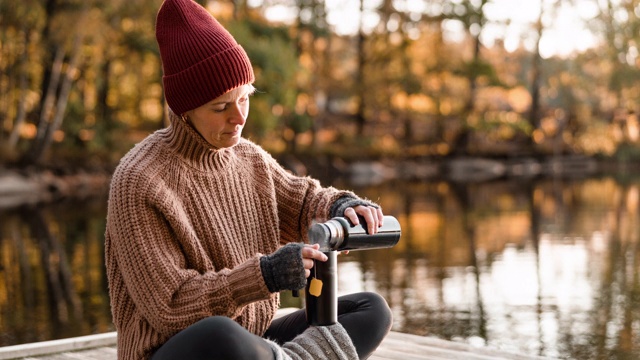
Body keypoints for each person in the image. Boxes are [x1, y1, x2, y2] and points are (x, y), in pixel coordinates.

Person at [104, 0, 393, 359]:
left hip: (253, 339)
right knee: (220, 334)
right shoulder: (140, 180)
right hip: (182, 348)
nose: (239, 117)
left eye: (245, 98)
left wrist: (342, 206)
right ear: (184, 110)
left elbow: (303, 201)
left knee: (371, 308)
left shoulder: (249, 159)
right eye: (221, 107)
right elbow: (172, 308)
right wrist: (266, 275)